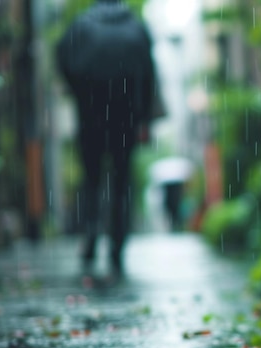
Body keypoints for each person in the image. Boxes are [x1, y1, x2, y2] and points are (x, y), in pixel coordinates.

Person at [56, 0, 156, 275]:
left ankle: (89, 235)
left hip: (90, 112)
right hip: (126, 115)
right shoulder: (136, 27)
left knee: (91, 178)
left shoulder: (80, 26)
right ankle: (118, 244)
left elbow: (62, 58)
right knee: (122, 179)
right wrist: (144, 117)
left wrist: (79, 92)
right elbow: (148, 73)